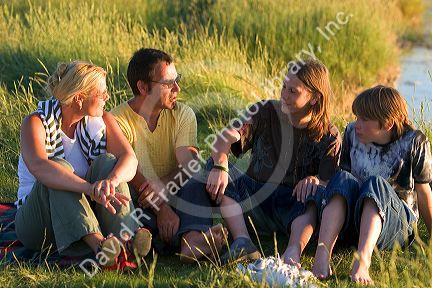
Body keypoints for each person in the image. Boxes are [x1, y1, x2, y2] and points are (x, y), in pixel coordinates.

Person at [179, 59, 341, 264]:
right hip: (254, 199)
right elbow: (227, 135)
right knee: (212, 166)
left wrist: (316, 180)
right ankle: (242, 241)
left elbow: (330, 186)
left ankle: (292, 251)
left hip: (293, 207)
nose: (284, 95)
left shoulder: (329, 136)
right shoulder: (265, 111)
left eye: (293, 91)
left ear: (314, 98)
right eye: (283, 87)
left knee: (314, 195)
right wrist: (221, 162)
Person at [289, 85, 432, 284]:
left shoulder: (415, 141)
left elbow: (424, 191)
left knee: (375, 184)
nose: (357, 124)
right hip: (356, 220)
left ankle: (363, 261)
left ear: (388, 123)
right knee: (343, 178)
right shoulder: (351, 133)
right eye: (357, 117)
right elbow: (343, 185)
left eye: (364, 119)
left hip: (396, 226)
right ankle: (322, 256)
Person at [15, 61, 151, 269]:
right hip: (39, 221)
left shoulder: (103, 120)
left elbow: (129, 159)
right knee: (58, 169)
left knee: (108, 163)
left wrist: (110, 181)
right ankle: (99, 246)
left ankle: (126, 239)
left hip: (86, 210)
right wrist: (89, 188)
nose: (107, 97)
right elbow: (40, 167)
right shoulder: (35, 122)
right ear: (79, 98)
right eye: (101, 93)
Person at [111, 48, 227, 260]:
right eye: (168, 83)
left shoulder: (182, 113)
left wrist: (164, 186)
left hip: (176, 193)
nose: (177, 88)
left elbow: (188, 163)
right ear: (143, 87)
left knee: (195, 180)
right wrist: (161, 208)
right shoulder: (117, 120)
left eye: (177, 79)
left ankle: (191, 241)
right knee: (129, 206)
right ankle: (177, 240)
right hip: (141, 199)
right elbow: (133, 175)